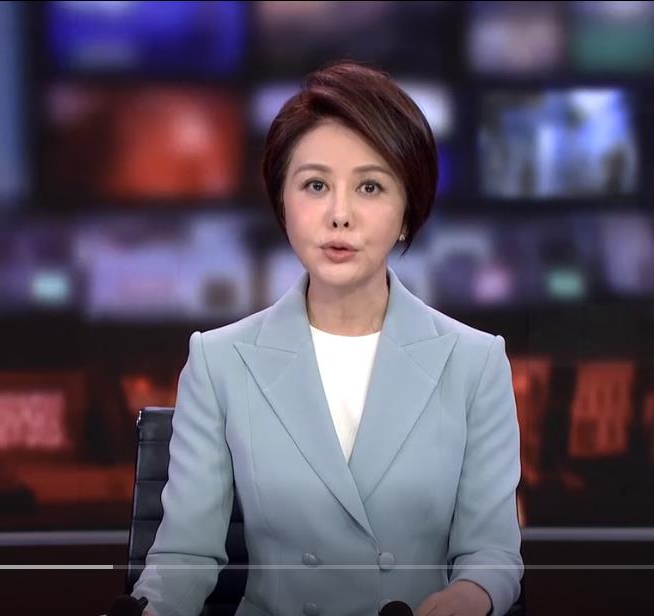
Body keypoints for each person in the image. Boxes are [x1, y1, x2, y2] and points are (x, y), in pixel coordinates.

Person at [132, 61, 522, 616]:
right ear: (283, 202)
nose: (340, 215)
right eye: (316, 186)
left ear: (407, 211)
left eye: (370, 187)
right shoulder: (218, 361)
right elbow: (185, 558)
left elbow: (492, 554)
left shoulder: (475, 363)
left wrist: (469, 596)